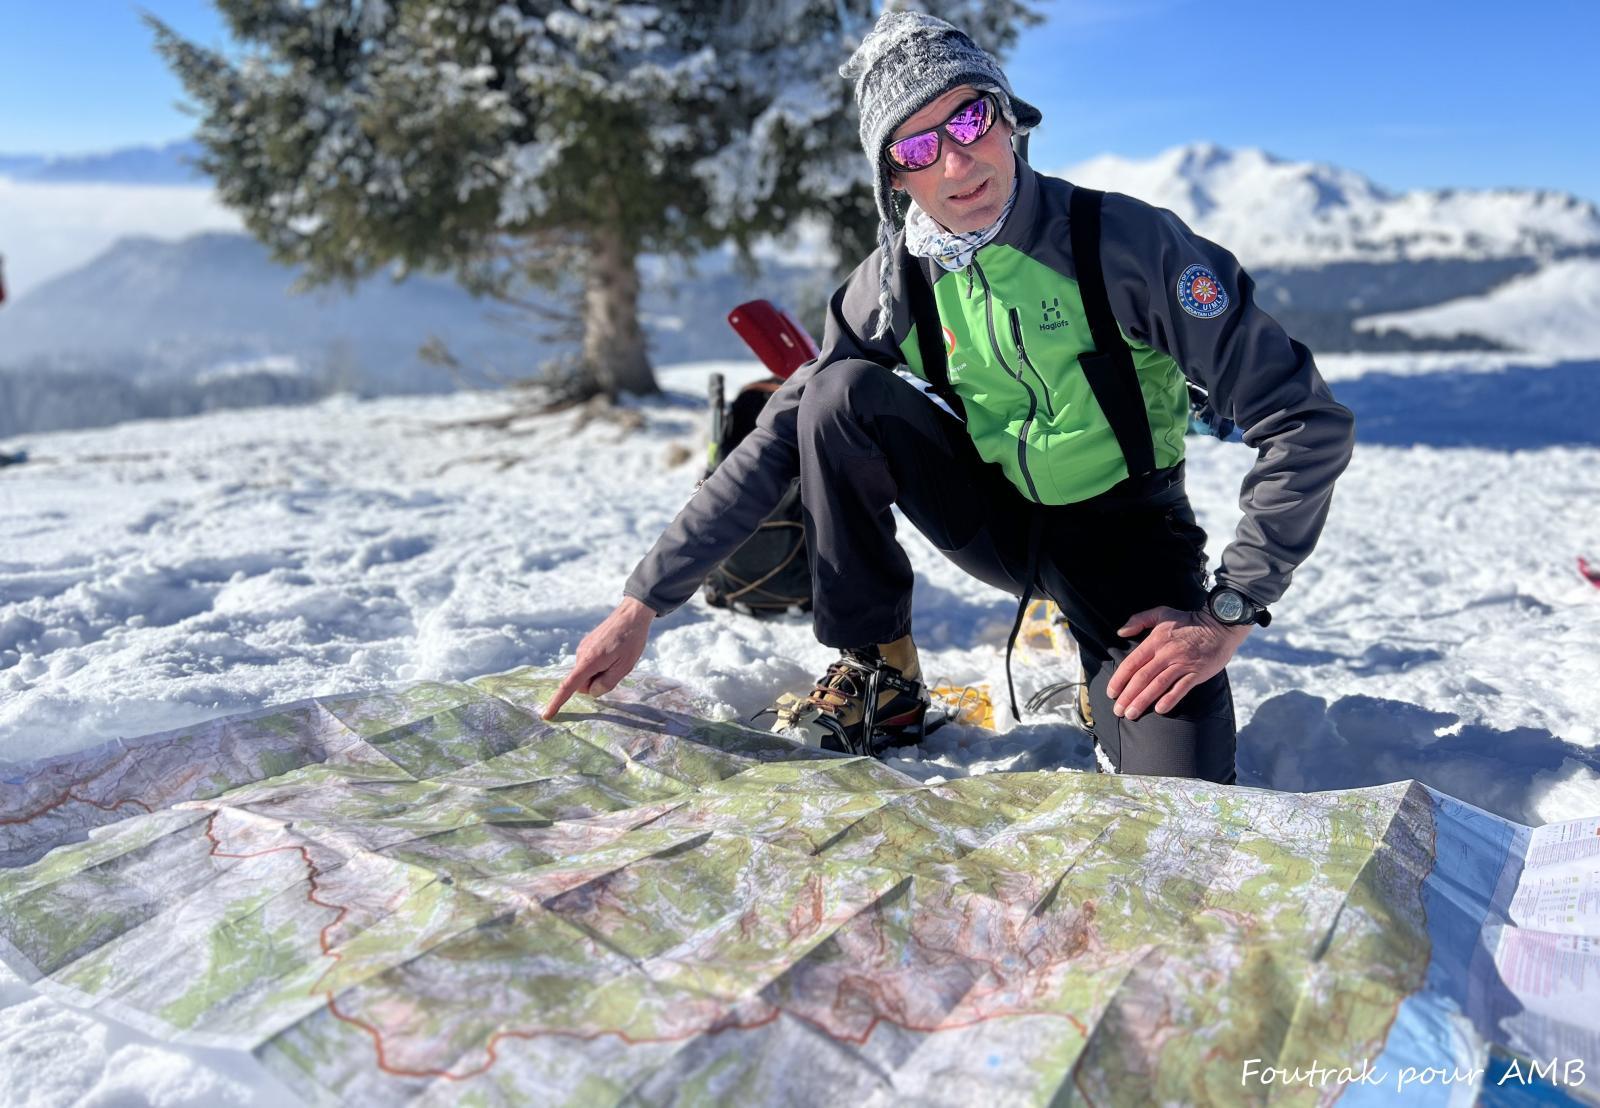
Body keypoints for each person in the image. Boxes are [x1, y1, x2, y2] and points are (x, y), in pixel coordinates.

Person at [543, 10, 1355, 784]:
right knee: (836, 394)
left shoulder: (1127, 246)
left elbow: (1304, 420)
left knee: (1182, 790)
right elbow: (776, 441)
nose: (957, 165)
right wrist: (641, 603)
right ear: (893, 176)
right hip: (991, 517)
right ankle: (881, 673)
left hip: (1127, 534)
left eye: (969, 123)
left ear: (1009, 119)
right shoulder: (893, 284)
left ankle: (1089, 653)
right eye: (920, 147)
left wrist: (1228, 609)